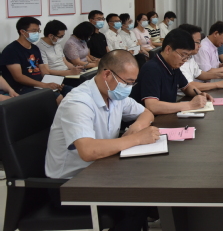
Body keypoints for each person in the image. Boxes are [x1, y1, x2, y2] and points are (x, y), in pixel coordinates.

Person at [45, 50, 159, 231]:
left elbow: (147, 113)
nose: (129, 88)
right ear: (107, 75)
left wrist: (137, 127)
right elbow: (88, 151)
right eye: (127, 82)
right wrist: (136, 139)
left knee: (150, 185)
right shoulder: (78, 102)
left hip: (102, 171)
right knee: (137, 202)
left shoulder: (113, 94)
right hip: (69, 184)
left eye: (133, 83)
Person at [137, 29, 212, 115]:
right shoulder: (151, 69)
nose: (185, 60)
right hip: (151, 119)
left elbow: (186, 87)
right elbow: (152, 106)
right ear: (168, 49)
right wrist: (189, 105)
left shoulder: (173, 66)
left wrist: (200, 94)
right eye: (183, 55)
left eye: (188, 56)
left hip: (167, 115)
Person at [0, 17, 62, 95]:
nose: (37, 33)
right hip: (22, 88)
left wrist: (54, 83)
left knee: (68, 90)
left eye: (38, 31)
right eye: (34, 31)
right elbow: (18, 77)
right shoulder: (11, 50)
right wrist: (44, 85)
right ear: (22, 31)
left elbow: (43, 70)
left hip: (40, 85)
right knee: (57, 97)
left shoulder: (35, 48)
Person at [178, 24, 223, 92]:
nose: (200, 46)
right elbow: (188, 85)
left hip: (196, 91)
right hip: (185, 96)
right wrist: (217, 84)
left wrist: (219, 75)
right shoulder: (178, 60)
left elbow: (199, 73)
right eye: (197, 42)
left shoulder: (190, 57)